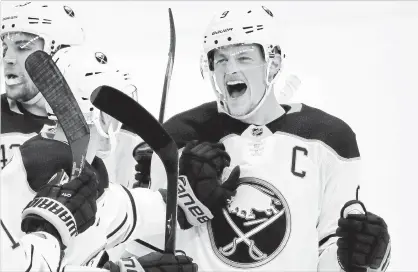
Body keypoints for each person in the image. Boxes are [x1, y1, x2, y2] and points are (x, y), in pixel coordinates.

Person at [132, 6, 391, 271]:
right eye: (221, 59)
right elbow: (147, 248)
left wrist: (360, 258)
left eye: (243, 57)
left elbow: (330, 250)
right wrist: (163, 196)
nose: (230, 70)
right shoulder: (180, 136)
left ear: (274, 62)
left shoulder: (330, 141)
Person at [1, 45, 198, 272]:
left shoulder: (83, 175)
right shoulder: (32, 179)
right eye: (116, 111)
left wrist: (186, 199)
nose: (120, 121)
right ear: (100, 113)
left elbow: (126, 212)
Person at [1, 2, 140, 188]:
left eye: (23, 47)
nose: (7, 58)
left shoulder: (110, 124)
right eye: (4, 47)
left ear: (61, 52)